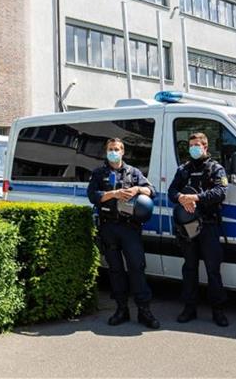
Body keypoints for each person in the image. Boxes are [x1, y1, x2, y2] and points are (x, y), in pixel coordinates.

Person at [87, 138, 160, 329]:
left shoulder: (133, 172)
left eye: (117, 149)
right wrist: (114, 194)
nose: (113, 152)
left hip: (130, 228)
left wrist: (137, 189)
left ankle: (144, 311)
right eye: (110, 149)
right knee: (116, 271)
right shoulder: (98, 173)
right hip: (108, 227)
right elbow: (92, 196)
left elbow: (153, 191)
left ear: (123, 151)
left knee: (137, 267)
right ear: (106, 151)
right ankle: (121, 310)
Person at [167, 132, 230, 327]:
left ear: (205, 146)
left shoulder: (216, 168)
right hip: (188, 227)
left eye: (197, 145)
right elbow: (171, 191)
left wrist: (196, 198)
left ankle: (218, 311)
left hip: (209, 225)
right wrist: (181, 198)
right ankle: (189, 308)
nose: (194, 148)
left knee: (213, 270)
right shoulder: (183, 169)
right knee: (189, 268)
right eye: (191, 145)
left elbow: (220, 192)